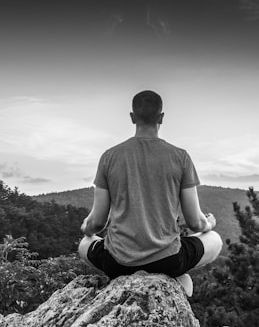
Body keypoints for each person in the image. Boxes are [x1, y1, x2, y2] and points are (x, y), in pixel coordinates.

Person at [78, 90, 222, 296]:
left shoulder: (109, 157)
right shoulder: (180, 157)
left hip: (118, 263)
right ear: (161, 118)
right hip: (168, 261)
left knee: (85, 243)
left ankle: (129, 281)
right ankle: (174, 283)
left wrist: (86, 227)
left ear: (132, 117)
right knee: (215, 239)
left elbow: (97, 223)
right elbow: (195, 223)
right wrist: (209, 224)